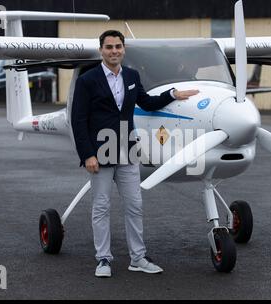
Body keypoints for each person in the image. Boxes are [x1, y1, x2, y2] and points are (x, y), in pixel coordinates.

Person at [72, 30, 199, 278]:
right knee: (101, 207)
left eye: (118, 46)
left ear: (124, 49)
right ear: (101, 50)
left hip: (127, 150)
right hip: (100, 151)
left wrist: (172, 94)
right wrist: (87, 154)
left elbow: (146, 102)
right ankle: (103, 260)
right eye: (109, 47)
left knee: (135, 205)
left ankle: (138, 258)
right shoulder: (87, 80)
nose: (114, 51)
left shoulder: (131, 75)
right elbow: (78, 120)